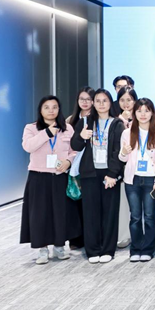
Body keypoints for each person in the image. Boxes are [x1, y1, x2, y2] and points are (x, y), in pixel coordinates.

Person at [21, 96, 80, 264]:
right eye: (46, 107)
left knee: (61, 212)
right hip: (38, 177)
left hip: (60, 176)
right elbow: (28, 146)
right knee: (40, 214)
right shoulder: (31, 128)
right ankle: (42, 249)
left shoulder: (67, 128)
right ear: (40, 110)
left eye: (54, 107)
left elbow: (74, 150)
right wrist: (47, 133)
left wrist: (69, 161)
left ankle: (59, 246)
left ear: (59, 109)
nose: (51, 110)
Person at [70, 89, 125, 263]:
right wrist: (81, 136)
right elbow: (75, 146)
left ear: (110, 103)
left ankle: (108, 249)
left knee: (110, 213)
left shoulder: (117, 123)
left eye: (105, 100)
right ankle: (92, 250)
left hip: (109, 174)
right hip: (90, 173)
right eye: (98, 101)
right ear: (93, 103)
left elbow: (118, 151)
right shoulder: (85, 122)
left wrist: (113, 174)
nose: (101, 104)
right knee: (90, 213)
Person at [119, 98, 155, 262]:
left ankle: (147, 249)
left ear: (152, 113)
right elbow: (122, 159)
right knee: (135, 217)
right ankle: (135, 249)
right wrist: (124, 152)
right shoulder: (127, 133)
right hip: (132, 180)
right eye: (139, 111)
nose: (143, 114)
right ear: (134, 113)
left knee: (150, 216)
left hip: (151, 180)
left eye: (146, 110)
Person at [66, 86, 95, 249]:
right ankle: (76, 238)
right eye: (81, 99)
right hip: (72, 165)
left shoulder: (96, 119)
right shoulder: (70, 120)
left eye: (88, 99)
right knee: (74, 201)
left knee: (88, 204)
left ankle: (88, 237)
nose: (85, 102)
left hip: (90, 166)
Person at [115, 86, 137, 249]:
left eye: (129, 100)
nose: (126, 103)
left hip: (140, 168)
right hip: (122, 167)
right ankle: (124, 236)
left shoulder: (142, 117)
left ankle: (139, 235)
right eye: (122, 100)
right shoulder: (115, 121)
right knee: (123, 204)